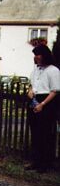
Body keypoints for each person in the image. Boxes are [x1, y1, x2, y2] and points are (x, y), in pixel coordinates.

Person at [26, 45, 59, 173]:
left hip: (46, 103)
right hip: (34, 101)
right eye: (35, 55)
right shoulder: (35, 70)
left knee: (45, 134)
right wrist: (30, 91)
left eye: (38, 55)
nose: (36, 57)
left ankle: (45, 164)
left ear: (44, 55)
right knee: (35, 133)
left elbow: (55, 90)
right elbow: (32, 85)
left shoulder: (53, 70)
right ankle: (35, 161)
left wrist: (43, 104)